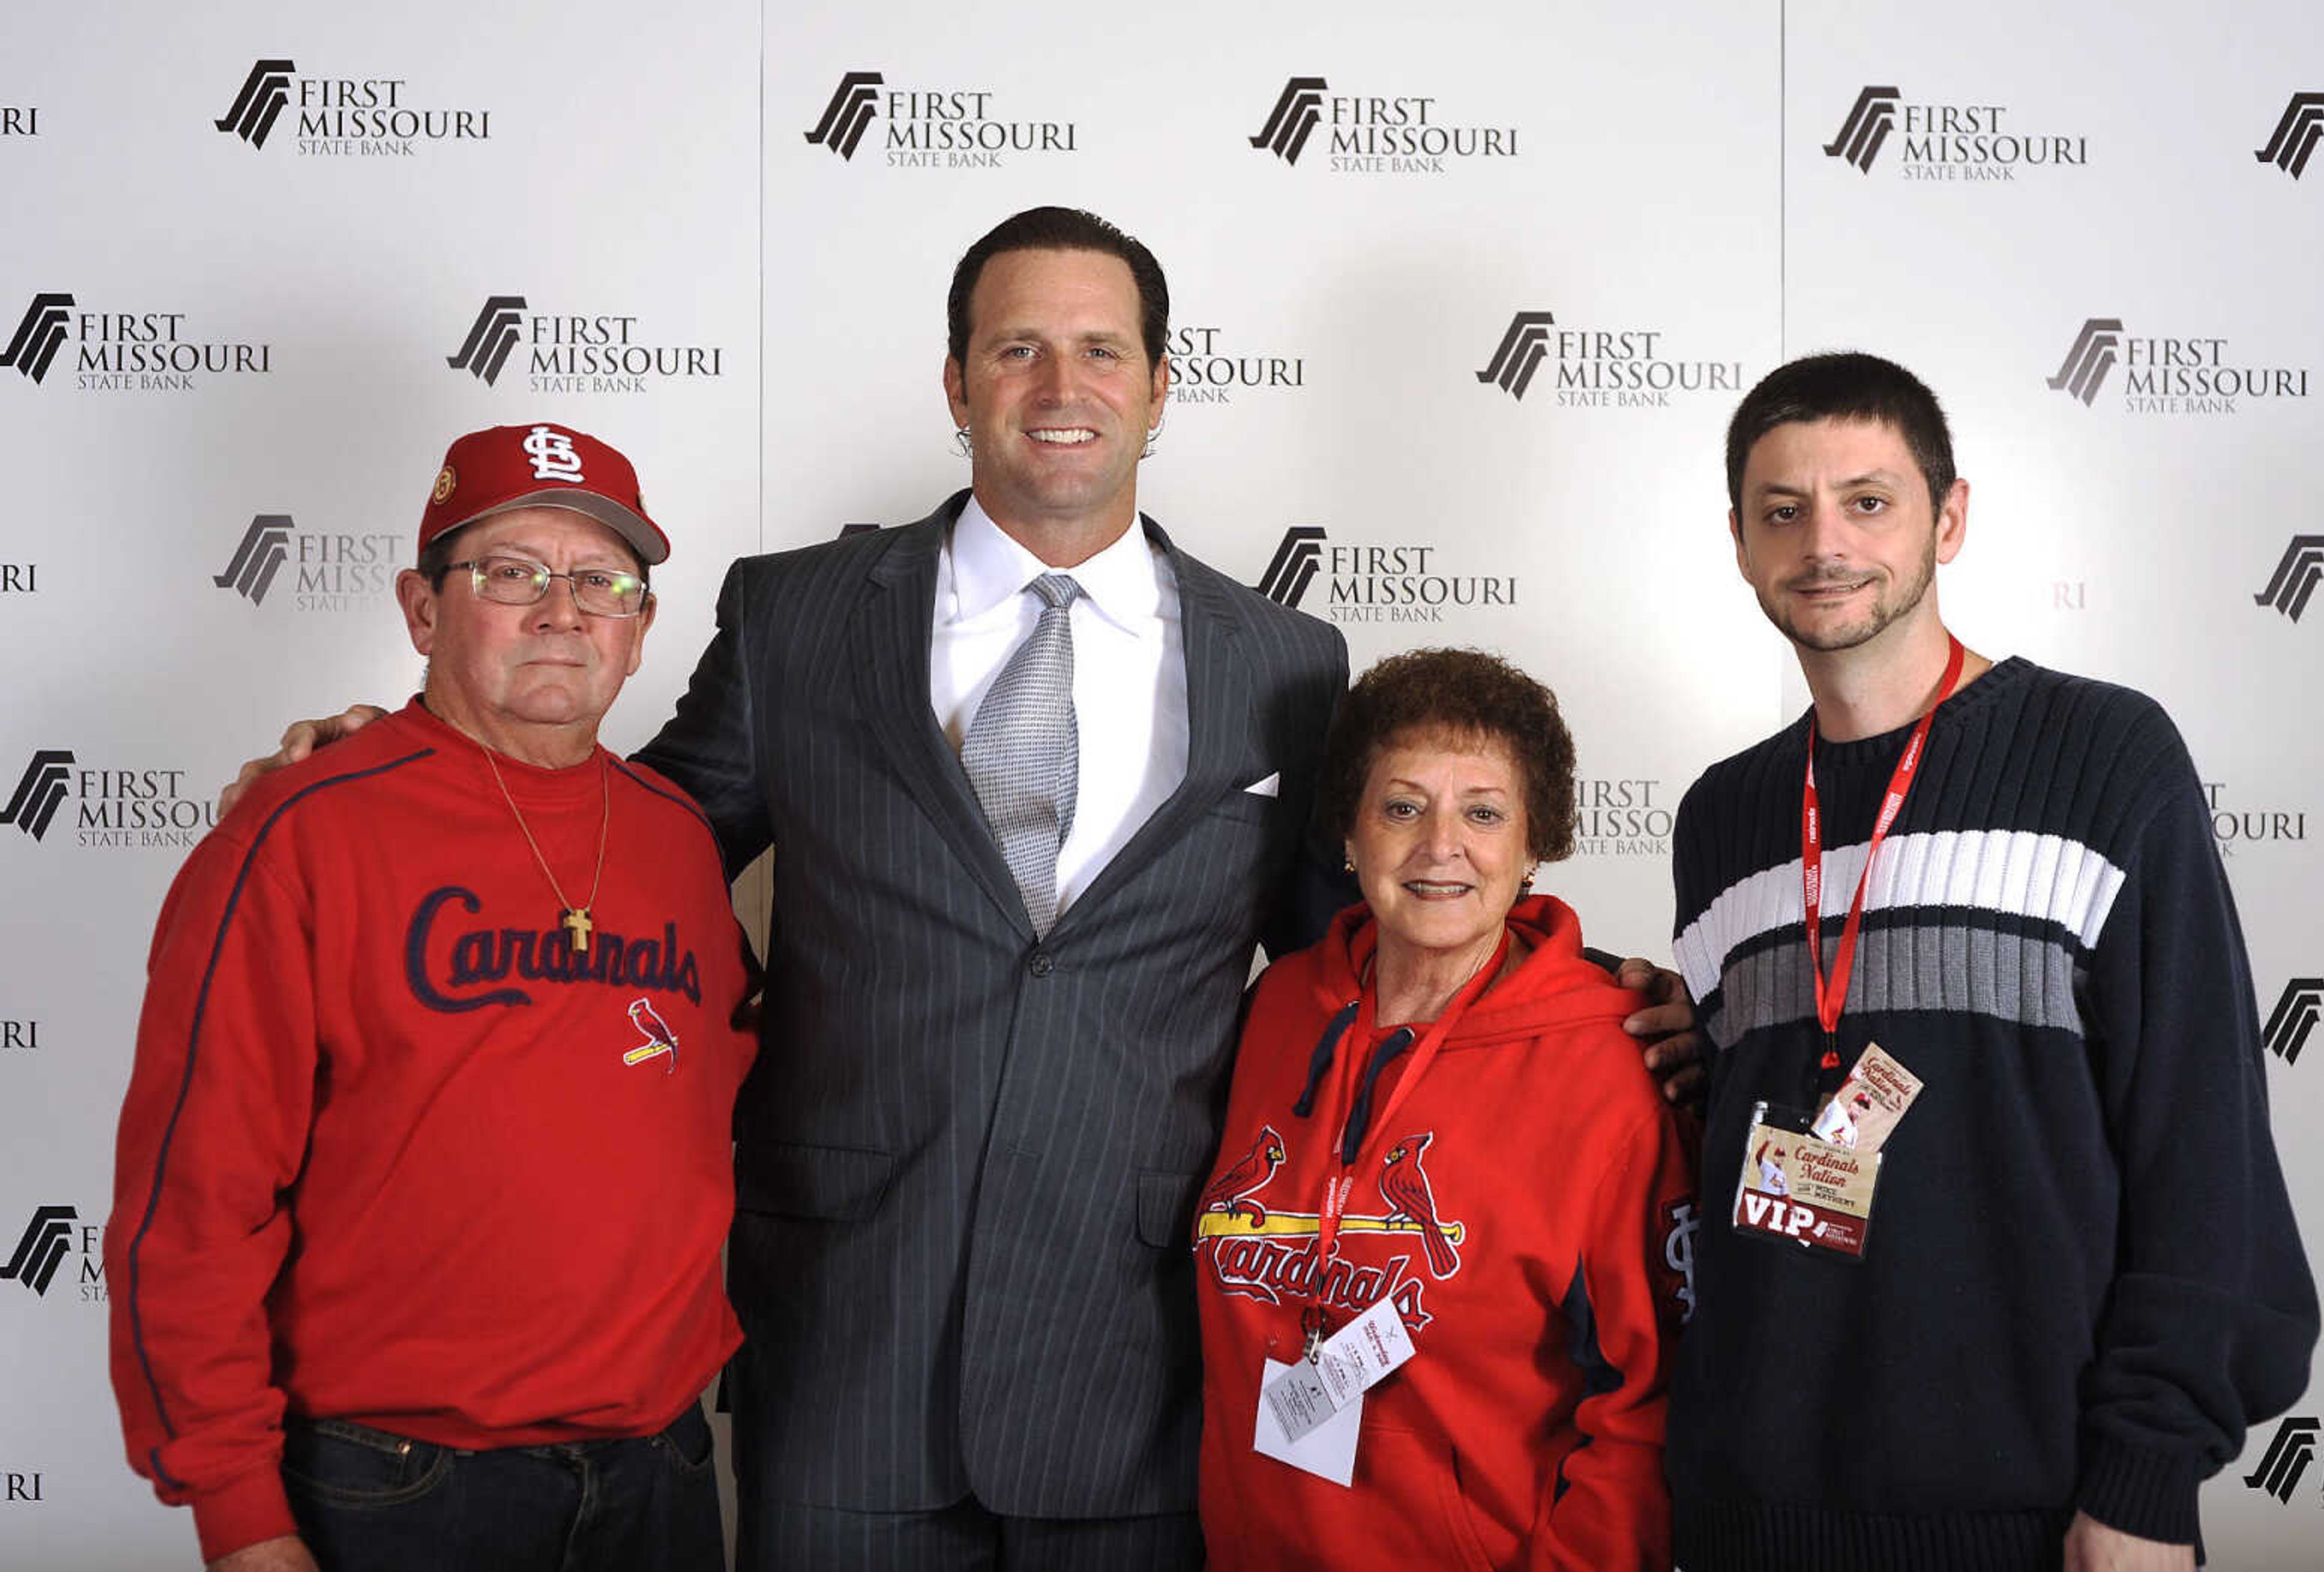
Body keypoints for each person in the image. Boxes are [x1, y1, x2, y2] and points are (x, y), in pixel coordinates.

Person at [218, 208, 1703, 1570]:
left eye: (1101, 346)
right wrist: (432, 765)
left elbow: (1372, 945)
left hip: (1131, 1370)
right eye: (1017, 345)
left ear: (1161, 386)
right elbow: (629, 842)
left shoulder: (1284, 661)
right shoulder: (796, 615)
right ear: (957, 382)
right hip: (845, 1351)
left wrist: (1588, 998)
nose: (1062, 380)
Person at [1665, 352, 2318, 1571]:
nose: (1824, 543)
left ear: (1947, 517)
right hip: (1747, 1511)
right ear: (1741, 541)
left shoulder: (2104, 754)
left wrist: (2145, 1479)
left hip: (2037, 1514)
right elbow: (1749, 1125)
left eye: (1869, 499)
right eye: (1782, 510)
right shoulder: (1724, 815)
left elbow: (2201, 1144)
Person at [105, 423, 756, 1572]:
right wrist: (241, 1521)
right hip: (394, 1489)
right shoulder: (302, 831)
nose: (563, 610)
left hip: (660, 1476)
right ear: (421, 609)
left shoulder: (679, 841)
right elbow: (192, 1205)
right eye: (511, 572)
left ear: (642, 626)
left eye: (602, 580)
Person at [1194, 648, 1693, 1571]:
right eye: (1402, 806)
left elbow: (1645, 1414)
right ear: (1350, 831)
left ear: (1535, 840)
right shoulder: (1275, 1010)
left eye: (1484, 811)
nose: (1439, 845)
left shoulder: (1607, 1067)